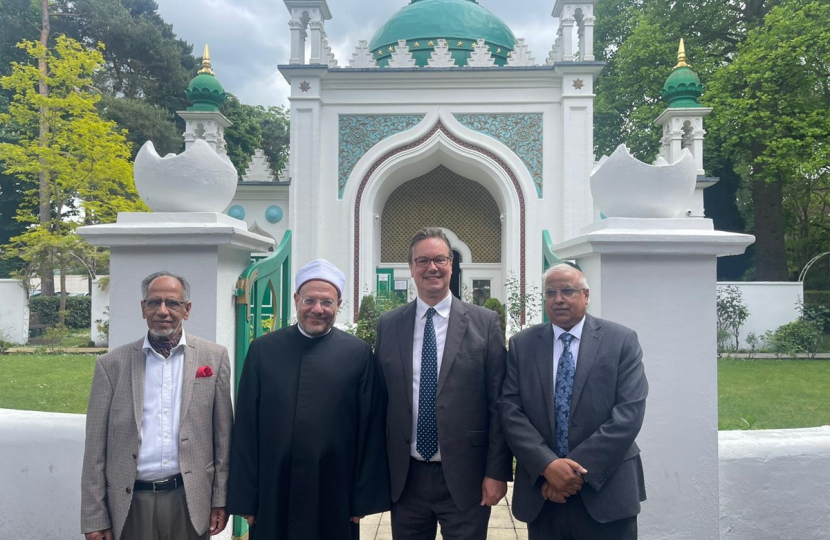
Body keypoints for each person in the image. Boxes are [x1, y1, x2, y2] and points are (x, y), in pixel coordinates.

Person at [227, 259, 390, 540]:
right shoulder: (263, 350)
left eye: (326, 302)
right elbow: (246, 426)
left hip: (334, 491)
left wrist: (361, 498)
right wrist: (245, 498)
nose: (317, 309)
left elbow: (371, 428)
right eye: (309, 300)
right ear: (295, 300)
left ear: (339, 304)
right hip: (273, 489)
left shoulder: (359, 354)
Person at [375, 228, 512, 540]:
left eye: (439, 259)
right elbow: (380, 401)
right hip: (406, 477)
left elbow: (499, 403)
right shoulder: (389, 325)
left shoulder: (485, 323)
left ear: (452, 264)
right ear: (411, 267)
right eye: (422, 260)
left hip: (468, 477)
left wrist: (496, 472)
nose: (431, 268)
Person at [498, 263, 648, 539]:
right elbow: (510, 410)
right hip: (543, 494)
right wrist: (547, 465)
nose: (558, 299)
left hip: (607, 491)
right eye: (551, 292)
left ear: (586, 295)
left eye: (567, 290)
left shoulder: (621, 340)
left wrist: (570, 473)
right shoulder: (523, 345)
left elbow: (629, 414)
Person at [81, 271, 233, 540]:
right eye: (154, 302)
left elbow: (223, 437)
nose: (163, 311)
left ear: (187, 310)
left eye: (172, 303)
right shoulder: (111, 365)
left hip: (189, 501)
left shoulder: (215, 357)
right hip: (130, 503)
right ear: (143, 309)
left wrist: (220, 499)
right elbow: (95, 448)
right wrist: (95, 516)